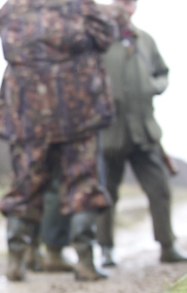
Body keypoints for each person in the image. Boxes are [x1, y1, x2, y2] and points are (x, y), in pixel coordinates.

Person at [0, 0, 116, 281]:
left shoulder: (13, 7)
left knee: (24, 185)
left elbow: (5, 38)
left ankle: (15, 261)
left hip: (28, 108)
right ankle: (85, 262)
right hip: (77, 107)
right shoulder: (82, 5)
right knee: (82, 183)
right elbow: (105, 36)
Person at [96, 0, 187, 266]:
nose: (127, 8)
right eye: (123, 2)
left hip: (144, 131)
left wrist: (154, 86)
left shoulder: (144, 40)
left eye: (131, 3)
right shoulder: (100, 40)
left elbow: (163, 72)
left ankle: (167, 245)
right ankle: (105, 249)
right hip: (110, 131)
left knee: (159, 188)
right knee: (107, 193)